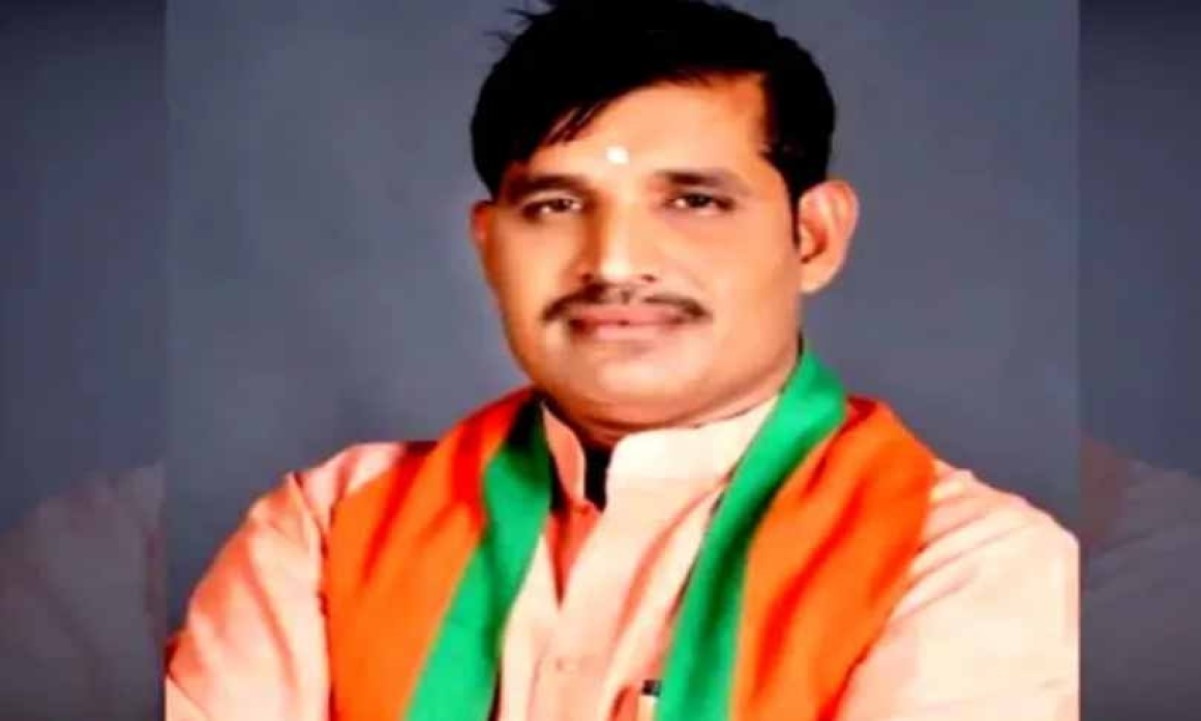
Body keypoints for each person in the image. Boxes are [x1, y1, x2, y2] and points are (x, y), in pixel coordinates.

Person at [165, 1, 1077, 719]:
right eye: (556, 205)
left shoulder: (964, 566)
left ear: (812, 235)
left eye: (692, 201)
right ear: (488, 245)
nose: (612, 261)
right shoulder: (330, 528)